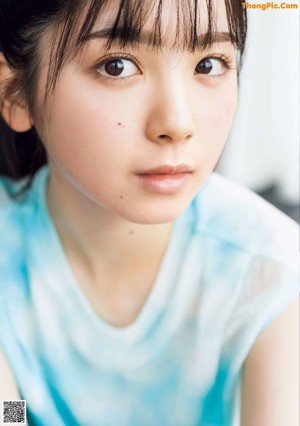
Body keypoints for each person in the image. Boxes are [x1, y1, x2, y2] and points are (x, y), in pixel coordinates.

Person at [0, 1, 298, 425]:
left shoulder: (270, 271)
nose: (177, 122)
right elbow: (11, 415)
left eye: (210, 64)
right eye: (117, 66)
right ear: (15, 92)